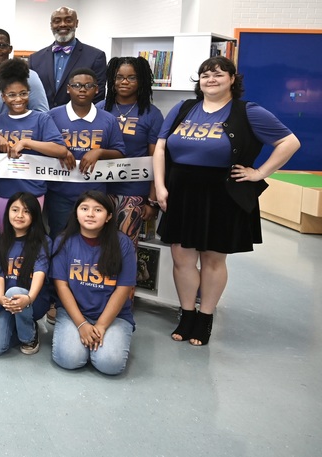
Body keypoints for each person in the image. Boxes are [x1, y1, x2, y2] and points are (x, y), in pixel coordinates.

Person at [154, 56, 299, 346]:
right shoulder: (184, 108)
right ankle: (187, 314)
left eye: (219, 74)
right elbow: (160, 147)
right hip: (181, 190)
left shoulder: (249, 111)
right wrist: (160, 186)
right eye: (205, 75)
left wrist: (259, 173)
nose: (211, 79)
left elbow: (290, 142)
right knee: (182, 258)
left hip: (221, 193)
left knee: (213, 259)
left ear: (232, 79)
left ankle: (205, 318)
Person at [50, 191, 136, 376]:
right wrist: (82, 325)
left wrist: (102, 325)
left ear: (109, 217)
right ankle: (87, 343)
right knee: (69, 359)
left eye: (98, 210)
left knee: (109, 364)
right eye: (84, 208)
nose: (90, 214)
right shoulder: (63, 241)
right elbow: (61, 286)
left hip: (113, 316)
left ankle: (101, 341)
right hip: (74, 314)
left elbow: (123, 289)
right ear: (76, 213)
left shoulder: (123, 244)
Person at [45, 68, 126, 235]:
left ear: (96, 89)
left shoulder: (108, 119)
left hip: (94, 195)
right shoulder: (52, 116)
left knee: (92, 241)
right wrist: (60, 151)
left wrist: (100, 152)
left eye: (88, 85)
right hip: (60, 194)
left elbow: (120, 153)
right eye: (77, 85)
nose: (82, 89)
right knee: (60, 239)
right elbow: (41, 148)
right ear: (68, 88)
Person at [0, 60, 69, 224]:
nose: (18, 99)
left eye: (23, 93)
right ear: (3, 97)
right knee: (6, 239)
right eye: (12, 95)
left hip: (33, 190)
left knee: (31, 240)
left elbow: (60, 150)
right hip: (2, 190)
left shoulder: (41, 119)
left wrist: (27, 142)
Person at [103, 57, 164, 245]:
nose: (124, 82)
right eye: (119, 77)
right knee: (97, 246)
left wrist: (152, 200)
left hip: (133, 192)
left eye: (132, 78)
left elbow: (156, 160)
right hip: (100, 190)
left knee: (125, 246)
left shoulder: (151, 114)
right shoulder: (98, 109)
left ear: (141, 81)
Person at [0, 193, 50, 356]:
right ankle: (17, 325)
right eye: (15, 210)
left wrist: (29, 298)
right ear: (7, 213)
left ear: (34, 216)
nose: (19, 215)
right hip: (6, 301)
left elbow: (40, 273)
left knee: (15, 292)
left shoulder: (43, 241)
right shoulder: (0, 241)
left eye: (26, 211)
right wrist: (1, 299)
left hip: (32, 301)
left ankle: (29, 336)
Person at [28, 6, 108, 108]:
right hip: (42, 120)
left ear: (76, 23)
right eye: (57, 21)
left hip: (78, 120)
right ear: (51, 25)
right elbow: (30, 93)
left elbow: (98, 94)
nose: (62, 24)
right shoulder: (35, 59)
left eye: (68, 20)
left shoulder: (96, 56)